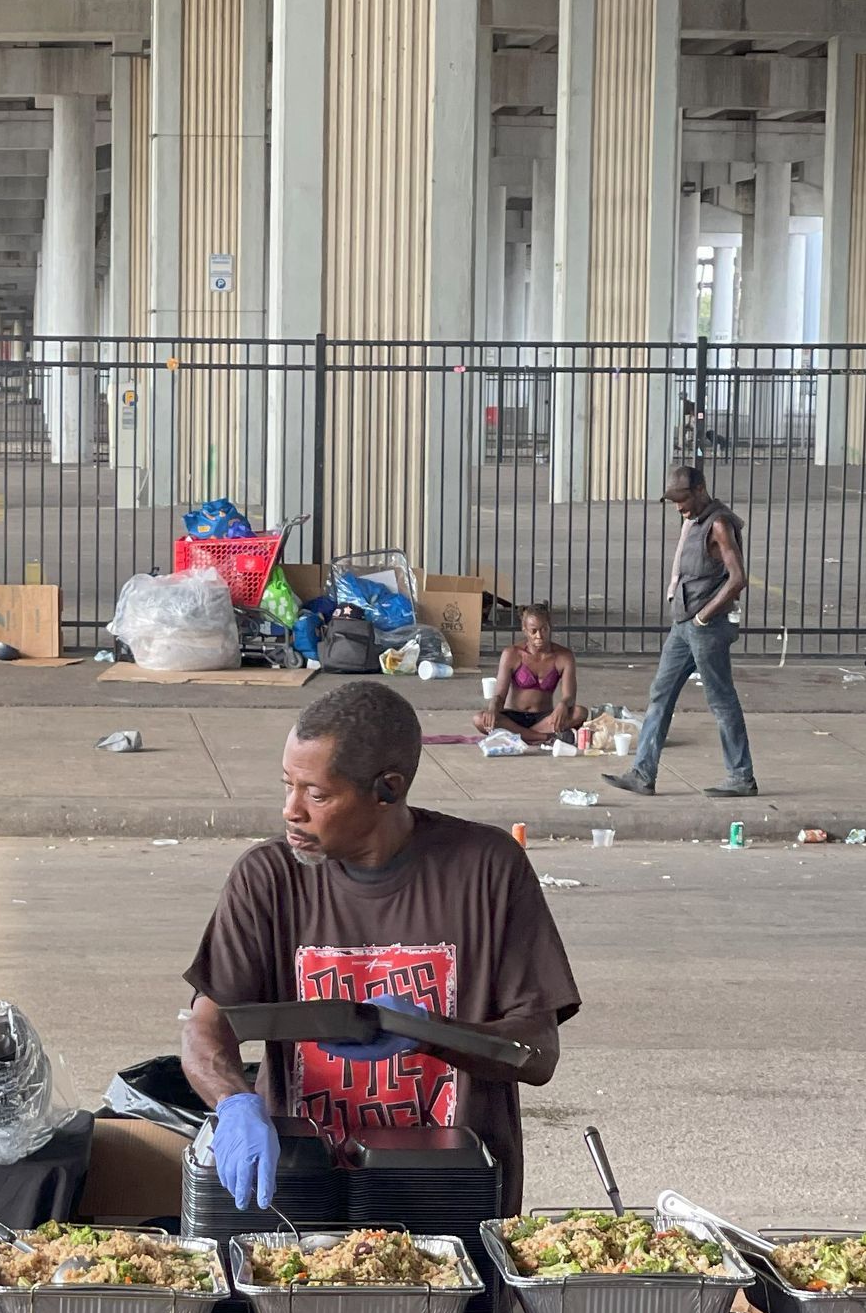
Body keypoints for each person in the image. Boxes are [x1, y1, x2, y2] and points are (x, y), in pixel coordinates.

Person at [180, 678, 579, 1214]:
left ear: (388, 789)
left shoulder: (487, 869)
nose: (290, 810)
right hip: (304, 1200)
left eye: (316, 794)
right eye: (288, 785)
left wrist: (427, 1034)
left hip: (452, 1197)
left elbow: (538, 1053)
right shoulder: (267, 878)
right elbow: (207, 1028)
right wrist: (233, 1103)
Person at [604, 463, 756, 801]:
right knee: (661, 693)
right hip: (684, 625)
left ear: (700, 490)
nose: (679, 507)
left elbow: (738, 579)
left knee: (721, 700)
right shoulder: (694, 520)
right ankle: (643, 774)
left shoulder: (719, 524)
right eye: (674, 501)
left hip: (706, 627)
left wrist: (704, 616)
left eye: (683, 500)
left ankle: (741, 776)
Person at [473, 602, 586, 745]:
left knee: (579, 712)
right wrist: (492, 709)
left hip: (544, 717)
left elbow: (569, 696)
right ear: (524, 630)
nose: (539, 636)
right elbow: (500, 696)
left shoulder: (564, 656)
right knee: (479, 719)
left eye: (544, 629)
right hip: (514, 717)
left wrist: (563, 704)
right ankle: (545, 738)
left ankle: (519, 736)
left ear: (550, 627)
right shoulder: (512, 654)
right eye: (533, 631)